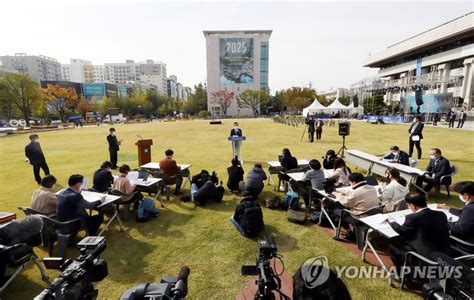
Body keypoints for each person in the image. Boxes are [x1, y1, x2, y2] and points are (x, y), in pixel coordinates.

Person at [387, 192, 452, 275]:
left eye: (409, 205)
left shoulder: (413, 217)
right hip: (444, 254)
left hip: (425, 259)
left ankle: (402, 275)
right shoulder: (441, 214)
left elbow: (401, 230)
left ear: (413, 205)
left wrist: (391, 221)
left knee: (392, 246)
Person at [332, 173, 379, 239]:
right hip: (372, 214)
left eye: (350, 182)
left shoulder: (356, 193)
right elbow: (358, 193)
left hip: (360, 218)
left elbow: (345, 202)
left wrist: (337, 194)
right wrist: (345, 192)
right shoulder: (372, 188)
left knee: (336, 211)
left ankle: (350, 233)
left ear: (353, 182)